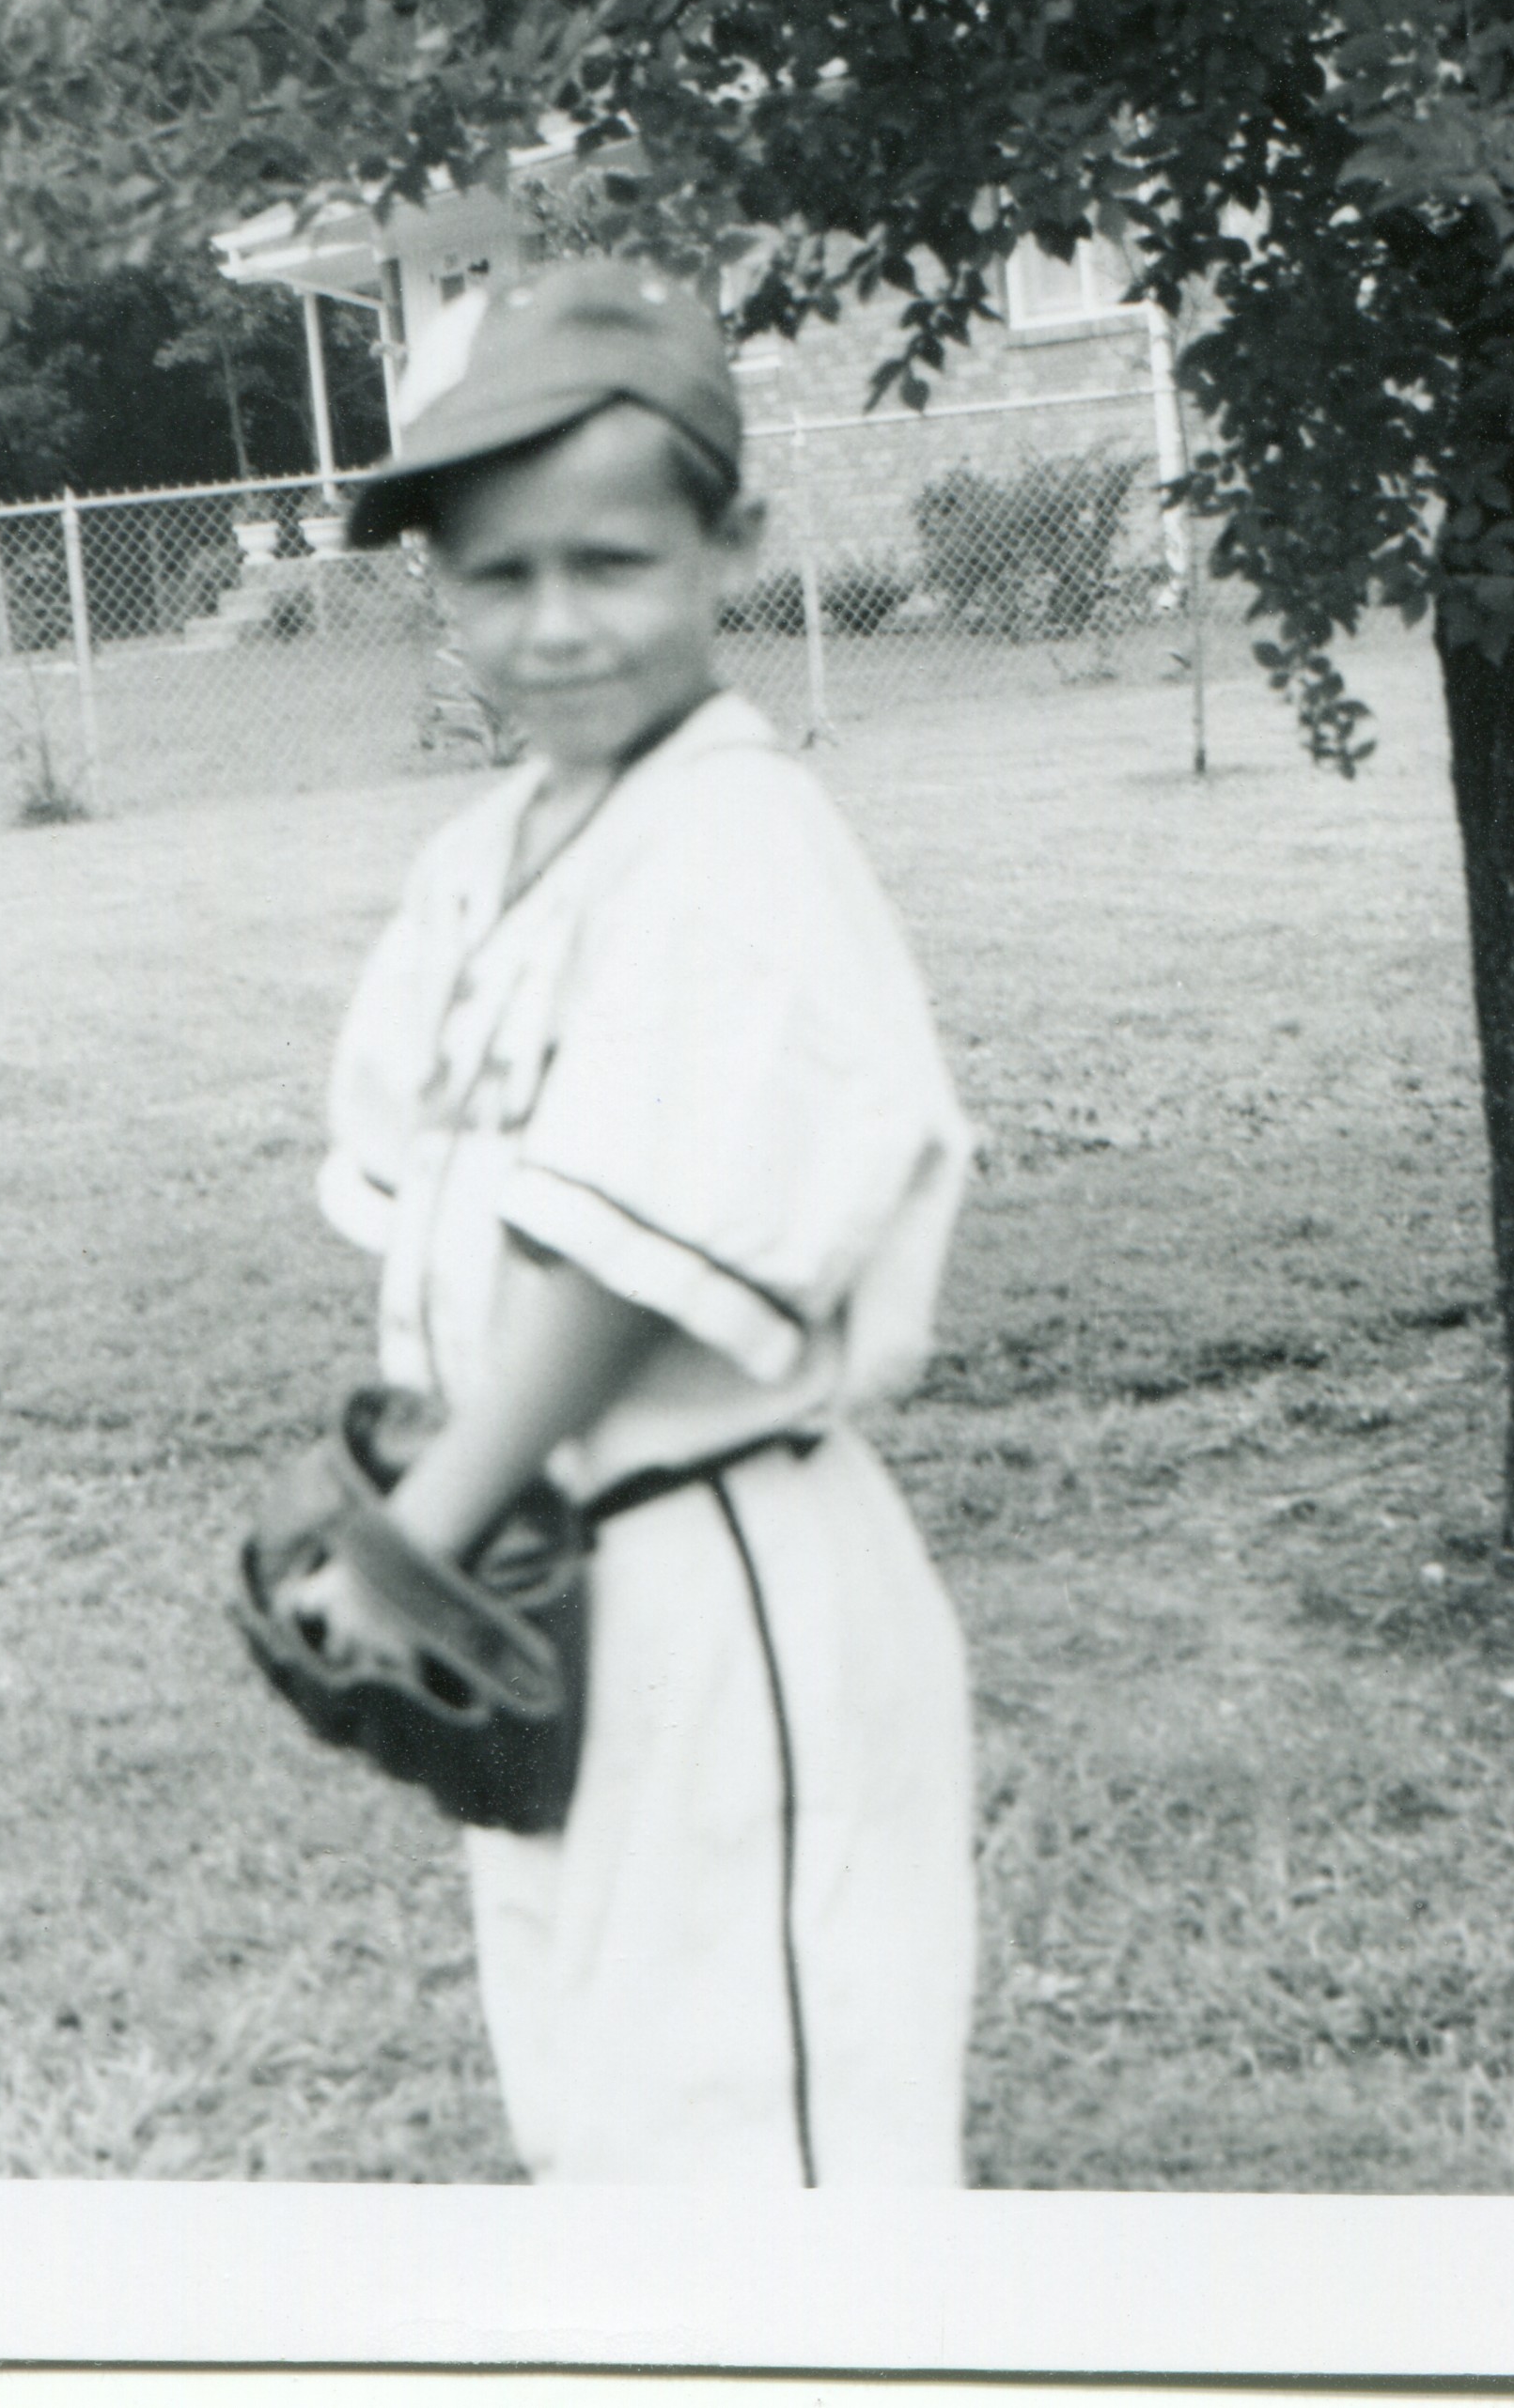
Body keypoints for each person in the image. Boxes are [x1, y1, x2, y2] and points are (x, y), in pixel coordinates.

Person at [295, 258, 978, 2185]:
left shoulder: (735, 836)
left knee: (761, 2154)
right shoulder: (489, 849)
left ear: (729, 541)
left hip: (712, 1565)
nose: (555, 621)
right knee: (607, 2127)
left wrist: (410, 1540)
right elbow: (430, 1207)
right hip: (545, 1569)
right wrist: (431, 1495)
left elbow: (616, 1269)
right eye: (496, 574)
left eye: (611, 561)